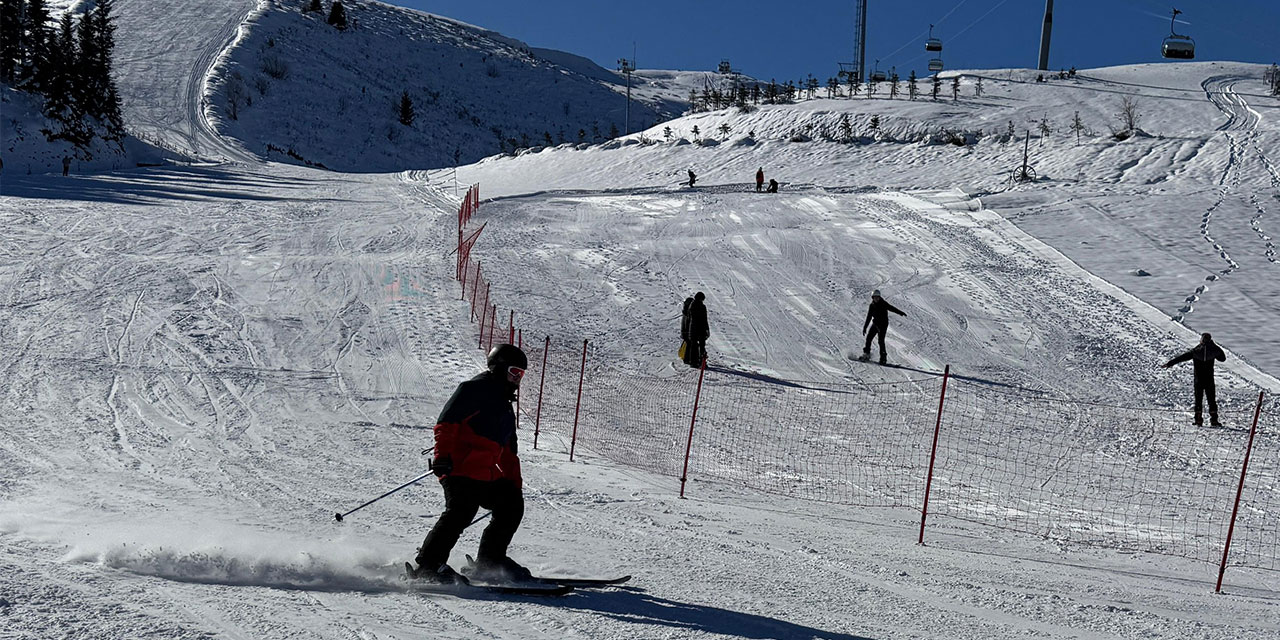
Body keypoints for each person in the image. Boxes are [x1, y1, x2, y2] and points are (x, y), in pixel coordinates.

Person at [409, 344, 531, 584]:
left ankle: (490, 561)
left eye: (521, 374)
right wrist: (442, 457)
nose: (517, 379)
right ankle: (428, 566)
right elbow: (446, 424)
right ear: (499, 368)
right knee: (461, 511)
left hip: (484, 473)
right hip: (458, 468)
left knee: (511, 505)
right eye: (514, 372)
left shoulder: (505, 405)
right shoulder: (473, 389)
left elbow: (508, 451)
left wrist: (514, 484)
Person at [1163, 333, 1226, 426]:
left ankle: (1198, 420)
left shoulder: (1196, 351)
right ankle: (1214, 420)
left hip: (1198, 379)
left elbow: (1182, 357)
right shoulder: (1213, 350)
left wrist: (1170, 363)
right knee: (1211, 400)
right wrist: (1214, 346)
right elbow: (1222, 358)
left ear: (1201, 340)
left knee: (1198, 400)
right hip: (1209, 379)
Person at [861, 289, 905, 364]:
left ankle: (883, 358)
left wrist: (900, 312)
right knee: (869, 338)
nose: (876, 299)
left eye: (877, 297)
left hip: (883, 325)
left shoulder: (883, 303)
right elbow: (869, 317)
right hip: (875, 324)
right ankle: (867, 354)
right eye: (875, 297)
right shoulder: (872, 305)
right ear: (872, 298)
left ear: (879, 297)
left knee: (880, 341)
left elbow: (891, 308)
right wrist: (865, 327)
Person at [687, 291, 709, 368]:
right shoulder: (702, 307)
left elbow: (689, 318)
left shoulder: (691, 306)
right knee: (701, 346)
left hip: (693, 329)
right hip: (700, 329)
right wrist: (706, 329)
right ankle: (701, 362)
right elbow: (704, 319)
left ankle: (693, 362)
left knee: (694, 346)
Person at [680, 296, 695, 365]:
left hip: (686, 332)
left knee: (689, 345)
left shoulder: (686, 312)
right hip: (688, 333)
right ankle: (688, 359)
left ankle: (687, 358)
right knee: (689, 345)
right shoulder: (689, 313)